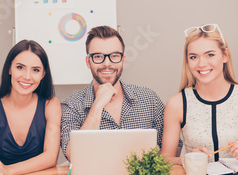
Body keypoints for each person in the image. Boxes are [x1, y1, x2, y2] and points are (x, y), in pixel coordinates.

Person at [161, 24, 238, 166]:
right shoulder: (176, 104)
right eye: (193, 57)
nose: (202, 64)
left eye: (210, 55)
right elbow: (165, 158)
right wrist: (185, 159)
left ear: (225, 56)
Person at [60, 25, 165, 160]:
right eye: (98, 56)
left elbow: (171, 149)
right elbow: (74, 156)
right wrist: (97, 105)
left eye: (114, 56)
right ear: (88, 61)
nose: (107, 63)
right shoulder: (71, 105)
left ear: (123, 60)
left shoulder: (150, 99)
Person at [0, 40, 61, 175]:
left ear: (43, 74)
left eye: (35, 70)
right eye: (20, 67)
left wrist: (7, 170)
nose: (27, 76)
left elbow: (50, 157)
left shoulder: (51, 105)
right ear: (9, 69)